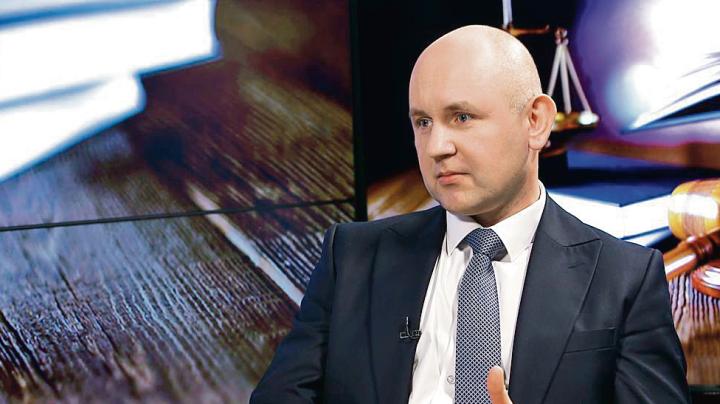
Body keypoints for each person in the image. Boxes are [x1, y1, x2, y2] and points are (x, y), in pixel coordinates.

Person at [250, 25, 690, 404]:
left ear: (536, 122)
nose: (437, 147)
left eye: (461, 117)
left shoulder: (624, 279)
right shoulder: (350, 256)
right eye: (423, 122)